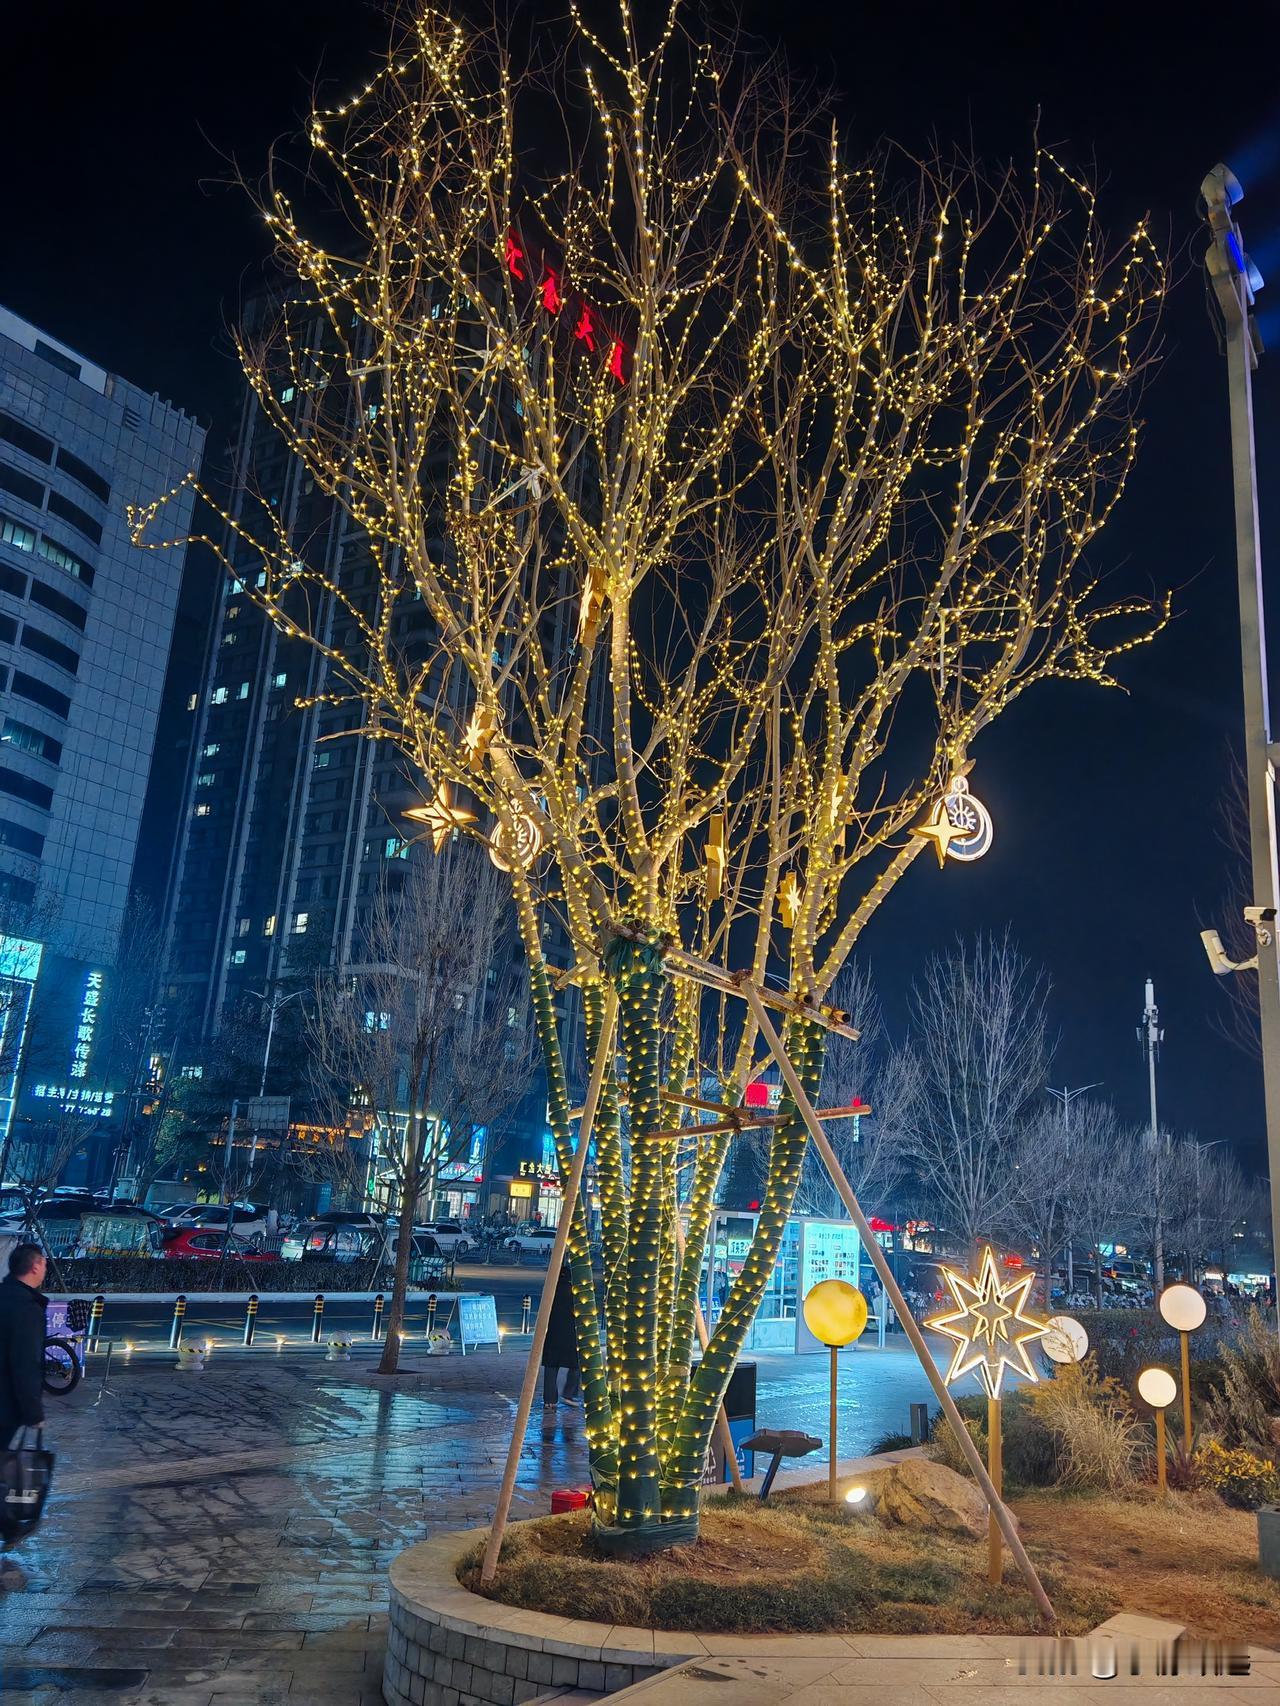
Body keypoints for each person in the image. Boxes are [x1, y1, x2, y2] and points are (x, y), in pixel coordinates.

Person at [1, 1243, 47, 1444]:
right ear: (35, 1267)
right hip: (5, 1407)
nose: (46, 1269)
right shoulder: (27, 1308)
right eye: (44, 1264)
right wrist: (33, 1413)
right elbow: (25, 1363)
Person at [540, 1260, 580, 1408]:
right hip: (570, 1334)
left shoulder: (551, 1288)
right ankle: (569, 1393)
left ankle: (549, 1401)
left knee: (551, 1366)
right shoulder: (573, 1290)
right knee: (576, 1364)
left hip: (552, 1333)